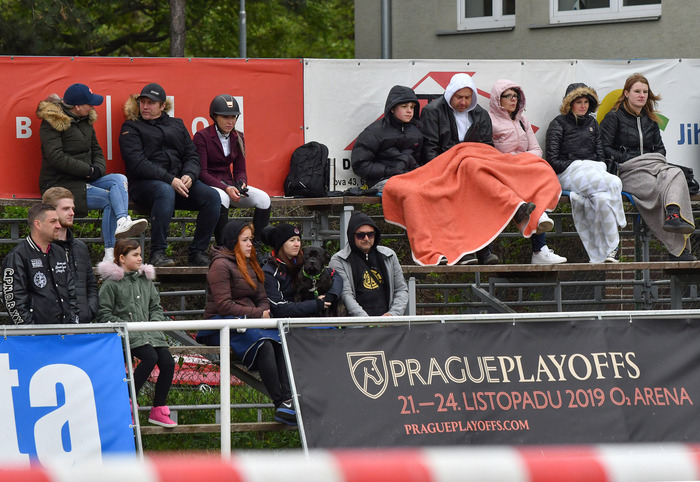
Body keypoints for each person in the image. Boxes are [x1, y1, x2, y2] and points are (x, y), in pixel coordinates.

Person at [195, 220, 296, 426]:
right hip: (220, 324)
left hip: (248, 321)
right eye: (245, 240)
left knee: (280, 341)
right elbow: (224, 305)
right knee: (264, 344)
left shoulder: (251, 262)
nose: (251, 244)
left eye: (251, 239)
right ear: (233, 241)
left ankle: (289, 399)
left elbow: (262, 297)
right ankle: (280, 403)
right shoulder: (220, 265)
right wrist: (258, 315)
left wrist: (262, 312)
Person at [37, 83, 147, 263]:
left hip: (85, 178)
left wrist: (98, 170)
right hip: (61, 183)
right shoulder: (51, 122)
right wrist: (87, 170)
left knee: (119, 179)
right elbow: (56, 157)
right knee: (110, 200)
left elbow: (97, 150)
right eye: (89, 103)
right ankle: (110, 254)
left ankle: (122, 221)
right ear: (77, 106)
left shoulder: (86, 120)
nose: (93, 107)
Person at [119, 82, 220, 267]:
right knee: (164, 190)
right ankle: (157, 254)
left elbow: (192, 155)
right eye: (142, 102)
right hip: (145, 186)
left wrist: (189, 174)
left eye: (151, 103)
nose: (145, 106)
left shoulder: (177, 124)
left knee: (212, 196)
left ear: (162, 106)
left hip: (178, 184)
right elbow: (137, 163)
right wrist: (170, 179)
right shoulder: (131, 127)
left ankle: (197, 252)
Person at [600, 73, 696, 261]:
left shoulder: (650, 118)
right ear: (626, 93)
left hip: (653, 166)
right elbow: (604, 149)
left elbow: (661, 149)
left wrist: (650, 159)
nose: (641, 95)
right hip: (627, 170)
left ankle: (673, 213)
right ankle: (678, 250)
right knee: (659, 189)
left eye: (645, 92)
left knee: (676, 173)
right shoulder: (613, 117)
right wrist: (632, 157)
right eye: (637, 91)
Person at [96, 239, 177, 428]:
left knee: (168, 362)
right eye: (135, 255)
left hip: (150, 334)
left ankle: (158, 409)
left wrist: (155, 324)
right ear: (122, 258)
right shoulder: (111, 284)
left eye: (140, 254)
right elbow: (103, 313)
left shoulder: (146, 281)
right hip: (127, 334)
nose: (140, 258)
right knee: (150, 357)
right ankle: (126, 401)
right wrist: (125, 326)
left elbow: (156, 307)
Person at [419, 73, 498, 264]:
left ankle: (483, 249)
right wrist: (445, 173)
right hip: (443, 169)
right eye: (459, 97)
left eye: (467, 97)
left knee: (484, 195)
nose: (463, 102)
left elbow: (488, 148)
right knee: (458, 196)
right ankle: (464, 251)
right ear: (450, 94)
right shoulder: (432, 111)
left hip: (473, 170)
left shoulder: (481, 114)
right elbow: (430, 149)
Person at [545, 83, 627, 263]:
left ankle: (610, 251)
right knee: (614, 182)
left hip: (594, 172)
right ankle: (621, 219)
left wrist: (592, 166)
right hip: (568, 174)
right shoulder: (558, 124)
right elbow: (553, 161)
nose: (583, 106)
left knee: (603, 199)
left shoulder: (592, 123)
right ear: (569, 104)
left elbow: (600, 156)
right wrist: (578, 164)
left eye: (586, 102)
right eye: (578, 102)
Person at [489, 79, 566, 265]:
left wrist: (521, 159)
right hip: (502, 172)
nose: (513, 99)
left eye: (516, 96)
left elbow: (536, 149)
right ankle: (539, 235)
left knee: (544, 171)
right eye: (508, 96)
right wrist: (513, 161)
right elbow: (488, 152)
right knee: (527, 188)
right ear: (498, 99)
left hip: (524, 168)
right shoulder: (489, 121)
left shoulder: (522, 120)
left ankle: (539, 247)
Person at [194, 94, 271, 249]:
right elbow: (202, 172)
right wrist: (226, 188)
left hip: (229, 184)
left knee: (264, 199)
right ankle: (225, 248)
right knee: (222, 197)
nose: (230, 121)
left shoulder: (238, 136)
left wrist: (241, 184)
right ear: (214, 117)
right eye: (225, 117)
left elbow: (240, 170)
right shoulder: (202, 136)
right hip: (209, 184)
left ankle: (255, 248)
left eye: (233, 117)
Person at [1, 203, 78, 325]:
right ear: (38, 224)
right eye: (53, 221)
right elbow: (13, 300)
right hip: (34, 333)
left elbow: (71, 292)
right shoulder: (17, 256)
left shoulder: (59, 252)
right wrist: (31, 331)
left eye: (58, 221)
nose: (59, 226)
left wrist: (72, 325)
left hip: (64, 332)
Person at [329, 211, 408, 316]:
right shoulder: (339, 260)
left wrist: (392, 315)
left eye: (370, 234)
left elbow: (401, 289)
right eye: (361, 235)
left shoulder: (389, 255)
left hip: (388, 321)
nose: (366, 239)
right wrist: (366, 320)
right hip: (355, 323)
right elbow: (346, 295)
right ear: (352, 236)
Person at [41, 187, 99, 323]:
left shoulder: (81, 247)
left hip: (82, 324)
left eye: (72, 208)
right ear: (51, 211)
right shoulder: (40, 248)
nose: (72, 213)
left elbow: (91, 285)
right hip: (52, 327)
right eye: (66, 209)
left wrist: (90, 310)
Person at [351, 85, 423, 193]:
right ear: (392, 108)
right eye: (404, 106)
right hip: (382, 181)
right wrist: (389, 171)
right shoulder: (374, 132)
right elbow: (360, 165)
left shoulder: (417, 133)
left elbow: (419, 162)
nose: (409, 111)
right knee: (408, 190)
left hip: (410, 180)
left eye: (412, 107)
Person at [261, 223, 342, 318]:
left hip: (310, 317)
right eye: (292, 240)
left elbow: (335, 275)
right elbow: (279, 308)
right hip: (286, 320)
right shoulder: (269, 271)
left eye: (298, 240)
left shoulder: (302, 262)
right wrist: (315, 304)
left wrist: (331, 296)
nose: (297, 244)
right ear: (281, 244)